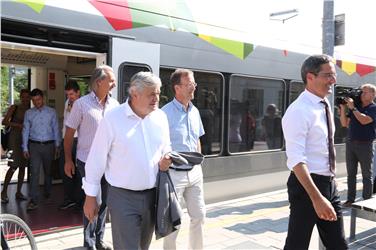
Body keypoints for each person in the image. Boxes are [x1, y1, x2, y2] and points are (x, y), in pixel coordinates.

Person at [83, 72, 172, 250]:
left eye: (158, 93)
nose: (156, 98)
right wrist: (90, 196)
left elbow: (166, 146)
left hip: (152, 196)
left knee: (142, 247)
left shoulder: (160, 117)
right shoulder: (113, 119)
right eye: (151, 94)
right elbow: (96, 159)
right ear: (134, 94)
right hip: (122, 197)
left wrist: (167, 157)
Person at [282, 54, 348, 250]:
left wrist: (330, 184)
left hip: (328, 183)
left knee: (338, 244)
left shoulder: (323, 103)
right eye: (328, 75)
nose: (333, 81)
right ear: (310, 77)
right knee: (297, 245)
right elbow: (296, 160)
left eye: (334, 75)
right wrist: (317, 198)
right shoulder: (298, 111)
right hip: (306, 186)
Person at [64, 65, 119, 250]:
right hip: (86, 162)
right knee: (92, 201)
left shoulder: (115, 105)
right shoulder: (81, 104)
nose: (114, 84)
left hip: (108, 164)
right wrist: (68, 160)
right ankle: (89, 243)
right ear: (98, 82)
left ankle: (99, 239)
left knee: (103, 203)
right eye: (111, 80)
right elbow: (69, 134)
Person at [162, 68, 206, 250]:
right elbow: (159, 145)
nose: (193, 88)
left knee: (200, 216)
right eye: (189, 85)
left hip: (195, 173)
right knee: (174, 220)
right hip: (174, 175)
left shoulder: (195, 111)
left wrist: (199, 163)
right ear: (177, 88)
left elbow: (197, 140)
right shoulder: (164, 113)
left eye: (194, 84)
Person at [22, 88, 60, 211]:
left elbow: (56, 129)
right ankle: (33, 199)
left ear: (42, 98)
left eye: (38, 99)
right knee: (34, 173)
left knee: (48, 171)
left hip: (49, 145)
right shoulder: (29, 113)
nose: (36, 102)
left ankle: (48, 193)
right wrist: (25, 147)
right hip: (34, 146)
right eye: (34, 100)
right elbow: (25, 130)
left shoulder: (51, 112)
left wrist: (57, 145)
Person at [339, 83, 376, 207]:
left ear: (373, 94)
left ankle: (366, 200)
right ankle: (350, 199)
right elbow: (344, 124)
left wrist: (353, 108)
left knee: (366, 174)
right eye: (361, 92)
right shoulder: (356, 106)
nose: (362, 94)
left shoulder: (373, 108)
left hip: (365, 144)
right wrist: (343, 108)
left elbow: (364, 120)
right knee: (351, 174)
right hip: (351, 143)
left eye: (365, 92)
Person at [1, 89, 30, 203]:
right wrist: (17, 125)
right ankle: (4, 191)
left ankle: (19, 192)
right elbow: (4, 122)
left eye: (28, 97)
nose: (25, 99)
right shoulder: (15, 107)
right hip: (14, 139)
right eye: (23, 97)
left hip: (25, 140)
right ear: (20, 97)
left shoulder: (30, 109)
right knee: (13, 166)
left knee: (23, 166)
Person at [58, 80, 83, 210]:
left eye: (72, 94)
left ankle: (80, 201)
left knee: (79, 172)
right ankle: (69, 199)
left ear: (78, 92)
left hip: (79, 140)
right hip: (67, 140)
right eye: (67, 94)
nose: (69, 97)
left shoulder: (83, 104)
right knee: (66, 170)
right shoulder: (67, 103)